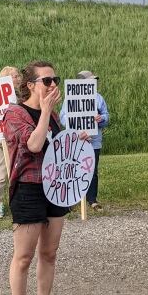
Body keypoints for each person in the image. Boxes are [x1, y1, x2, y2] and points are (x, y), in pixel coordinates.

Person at [2, 60, 73, 295]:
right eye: (47, 81)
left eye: (55, 79)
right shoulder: (14, 113)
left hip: (54, 188)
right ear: (30, 85)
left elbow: (57, 146)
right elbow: (33, 144)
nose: (53, 85)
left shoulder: (53, 115)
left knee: (50, 252)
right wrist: (44, 112)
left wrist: (74, 139)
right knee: (23, 257)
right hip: (29, 190)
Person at [59, 69, 109, 210]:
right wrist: (76, 124)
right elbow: (63, 117)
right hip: (76, 141)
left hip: (94, 142)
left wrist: (101, 118)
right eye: (90, 81)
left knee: (92, 171)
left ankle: (92, 199)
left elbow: (106, 116)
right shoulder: (70, 99)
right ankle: (72, 200)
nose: (94, 83)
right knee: (73, 169)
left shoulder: (99, 98)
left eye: (94, 81)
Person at [0, 66, 21, 218]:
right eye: (14, 76)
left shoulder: (22, 95)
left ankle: (16, 201)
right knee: (2, 174)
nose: (18, 78)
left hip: (17, 139)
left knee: (18, 172)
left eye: (18, 75)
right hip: (1, 139)